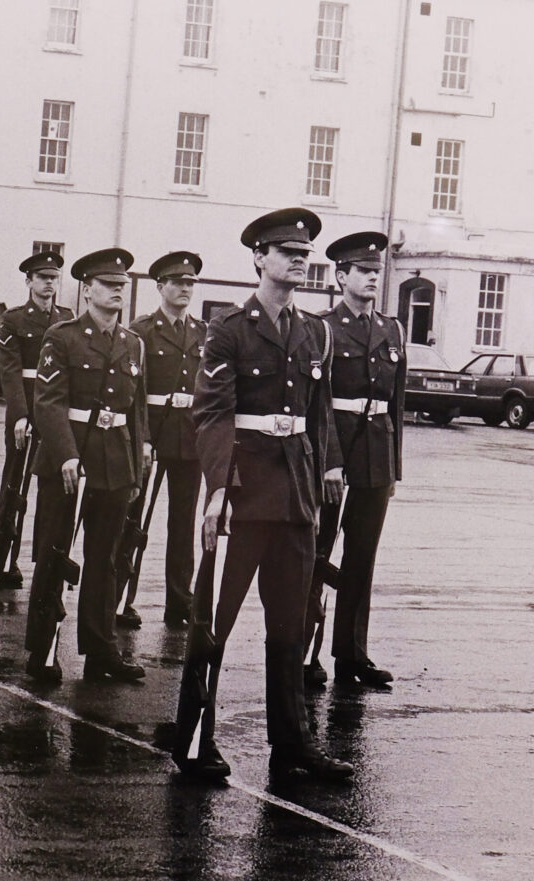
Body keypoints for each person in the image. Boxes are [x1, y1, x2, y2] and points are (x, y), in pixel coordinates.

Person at [181, 207, 351, 781]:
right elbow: (212, 414)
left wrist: (327, 469)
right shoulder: (229, 329)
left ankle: (292, 744)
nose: (300, 261)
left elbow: (318, 413)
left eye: (305, 254)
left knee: (291, 622)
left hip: (296, 493)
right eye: (288, 253)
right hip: (244, 492)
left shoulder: (315, 332)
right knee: (216, 619)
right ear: (259, 258)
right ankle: (195, 739)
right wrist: (218, 490)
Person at [24, 248, 151, 685]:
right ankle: (43, 649)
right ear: (87, 290)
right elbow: (48, 401)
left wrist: (136, 466)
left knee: (106, 558)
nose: (117, 291)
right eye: (108, 285)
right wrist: (66, 454)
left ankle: (101, 649)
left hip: (115, 459)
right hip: (70, 458)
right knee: (54, 554)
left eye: (121, 286)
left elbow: (136, 410)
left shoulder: (132, 343)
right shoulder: (63, 337)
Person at [304, 232, 405, 688]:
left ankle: (351, 654)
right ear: (341, 276)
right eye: (363, 271)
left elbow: (396, 404)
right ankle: (305, 653)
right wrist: (328, 461)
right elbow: (318, 401)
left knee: (362, 556)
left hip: (376, 452)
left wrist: (394, 467)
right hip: (335, 449)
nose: (371, 278)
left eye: (375, 272)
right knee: (318, 552)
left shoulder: (392, 330)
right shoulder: (322, 327)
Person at [119, 251, 206, 629]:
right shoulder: (142, 330)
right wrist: (142, 439)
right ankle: (121, 597)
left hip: (190, 436)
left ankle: (180, 601)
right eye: (178, 283)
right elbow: (133, 392)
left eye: (190, 284)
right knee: (134, 517)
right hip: (151, 433)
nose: (185, 289)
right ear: (160, 287)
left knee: (183, 524)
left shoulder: (202, 331)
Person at [0, 250, 74, 587]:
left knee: (51, 488)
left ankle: (45, 561)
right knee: (15, 486)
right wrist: (19, 415)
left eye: (53, 278)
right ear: (29, 281)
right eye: (42, 278)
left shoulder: (66, 318)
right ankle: (4, 559)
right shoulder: (13, 319)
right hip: (26, 409)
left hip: (55, 412)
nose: (49, 283)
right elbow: (10, 371)